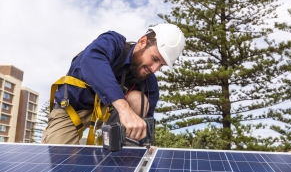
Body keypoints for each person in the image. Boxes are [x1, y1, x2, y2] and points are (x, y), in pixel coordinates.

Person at [41, 23, 185, 145]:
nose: (154, 68)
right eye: (154, 58)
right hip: (72, 108)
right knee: (57, 161)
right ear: (142, 42)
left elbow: (147, 121)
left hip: (109, 117)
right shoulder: (113, 43)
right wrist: (124, 109)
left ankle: (121, 156)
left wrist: (146, 145)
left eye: (161, 65)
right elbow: (92, 60)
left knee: (138, 100)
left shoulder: (148, 82)